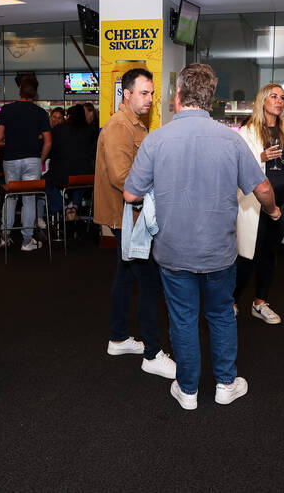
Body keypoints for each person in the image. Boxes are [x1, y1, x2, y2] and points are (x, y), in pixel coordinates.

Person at [123, 63, 279, 409]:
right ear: (211, 98)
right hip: (219, 251)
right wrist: (272, 210)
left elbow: (131, 194)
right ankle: (225, 383)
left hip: (173, 250)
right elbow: (263, 188)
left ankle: (188, 389)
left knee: (182, 317)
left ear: (178, 96)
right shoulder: (231, 140)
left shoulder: (156, 139)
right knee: (221, 313)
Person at [94, 67, 175, 379]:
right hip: (127, 216)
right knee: (150, 281)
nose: (150, 99)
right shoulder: (119, 127)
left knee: (126, 274)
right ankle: (153, 353)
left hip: (130, 215)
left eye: (152, 93)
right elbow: (122, 178)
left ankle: (118, 337)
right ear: (126, 95)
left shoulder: (135, 124)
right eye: (144, 93)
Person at [234, 84, 284, 324]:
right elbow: (238, 165)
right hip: (258, 199)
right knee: (248, 252)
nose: (279, 101)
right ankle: (231, 301)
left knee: (269, 252)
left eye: (282, 98)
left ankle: (259, 302)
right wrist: (261, 158)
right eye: (274, 97)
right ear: (263, 100)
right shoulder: (248, 130)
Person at [0, 75, 51, 251]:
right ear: (35, 92)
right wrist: (39, 160)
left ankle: (6, 236)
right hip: (32, 159)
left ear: (20, 91)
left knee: (10, 197)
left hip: (11, 158)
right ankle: (26, 241)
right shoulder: (40, 113)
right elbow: (48, 141)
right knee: (29, 199)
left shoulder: (6, 110)